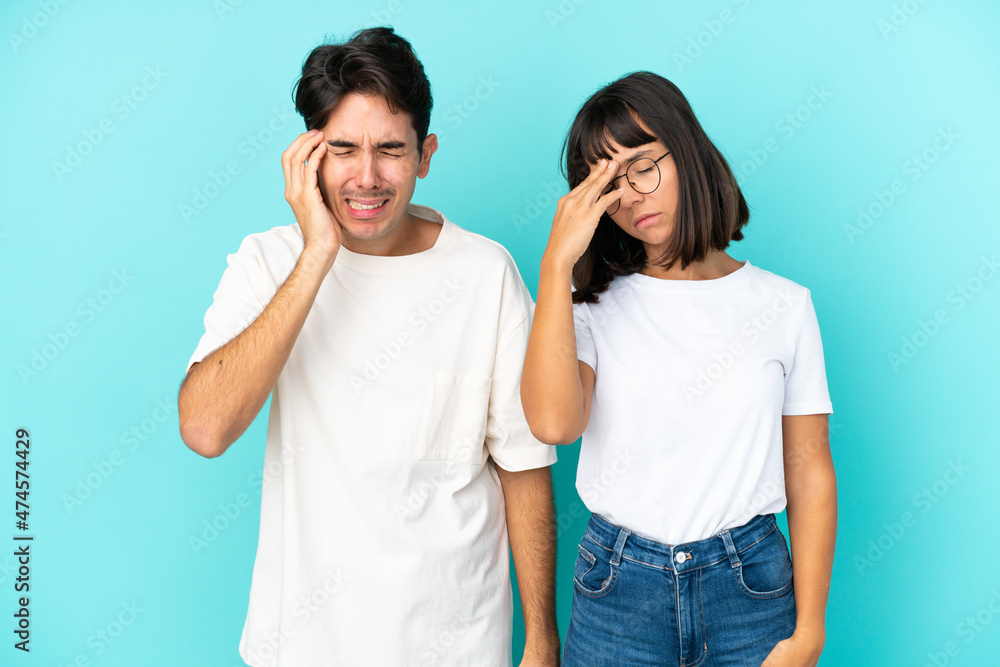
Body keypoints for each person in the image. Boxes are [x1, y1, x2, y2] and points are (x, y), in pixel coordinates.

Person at [178, 27, 560, 667]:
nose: (367, 176)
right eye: (343, 150)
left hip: (457, 645)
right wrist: (317, 256)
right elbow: (206, 428)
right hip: (300, 647)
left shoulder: (485, 274)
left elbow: (524, 467)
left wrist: (543, 643)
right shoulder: (267, 262)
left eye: (390, 150)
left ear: (425, 154)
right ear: (307, 156)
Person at [521, 71, 837, 666]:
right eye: (609, 183)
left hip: (750, 588)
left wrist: (809, 631)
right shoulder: (586, 307)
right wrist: (555, 264)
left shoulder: (784, 305)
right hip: (618, 589)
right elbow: (553, 424)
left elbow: (810, 468)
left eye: (643, 166)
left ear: (686, 152)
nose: (633, 194)